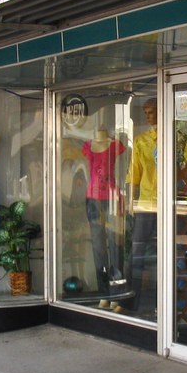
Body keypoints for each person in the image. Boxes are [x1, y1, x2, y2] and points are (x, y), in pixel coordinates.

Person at [125, 97, 187, 314]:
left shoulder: (177, 139)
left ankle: (168, 304)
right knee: (138, 251)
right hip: (148, 204)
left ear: (161, 110)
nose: (148, 116)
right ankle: (132, 301)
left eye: (152, 112)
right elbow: (134, 175)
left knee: (172, 252)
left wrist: (182, 176)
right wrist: (131, 202)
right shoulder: (142, 141)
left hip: (171, 204)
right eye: (146, 112)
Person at [82, 127, 126, 297]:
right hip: (92, 198)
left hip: (111, 197)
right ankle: (103, 291)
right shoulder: (87, 145)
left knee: (115, 243)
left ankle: (117, 289)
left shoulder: (115, 145)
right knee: (98, 245)